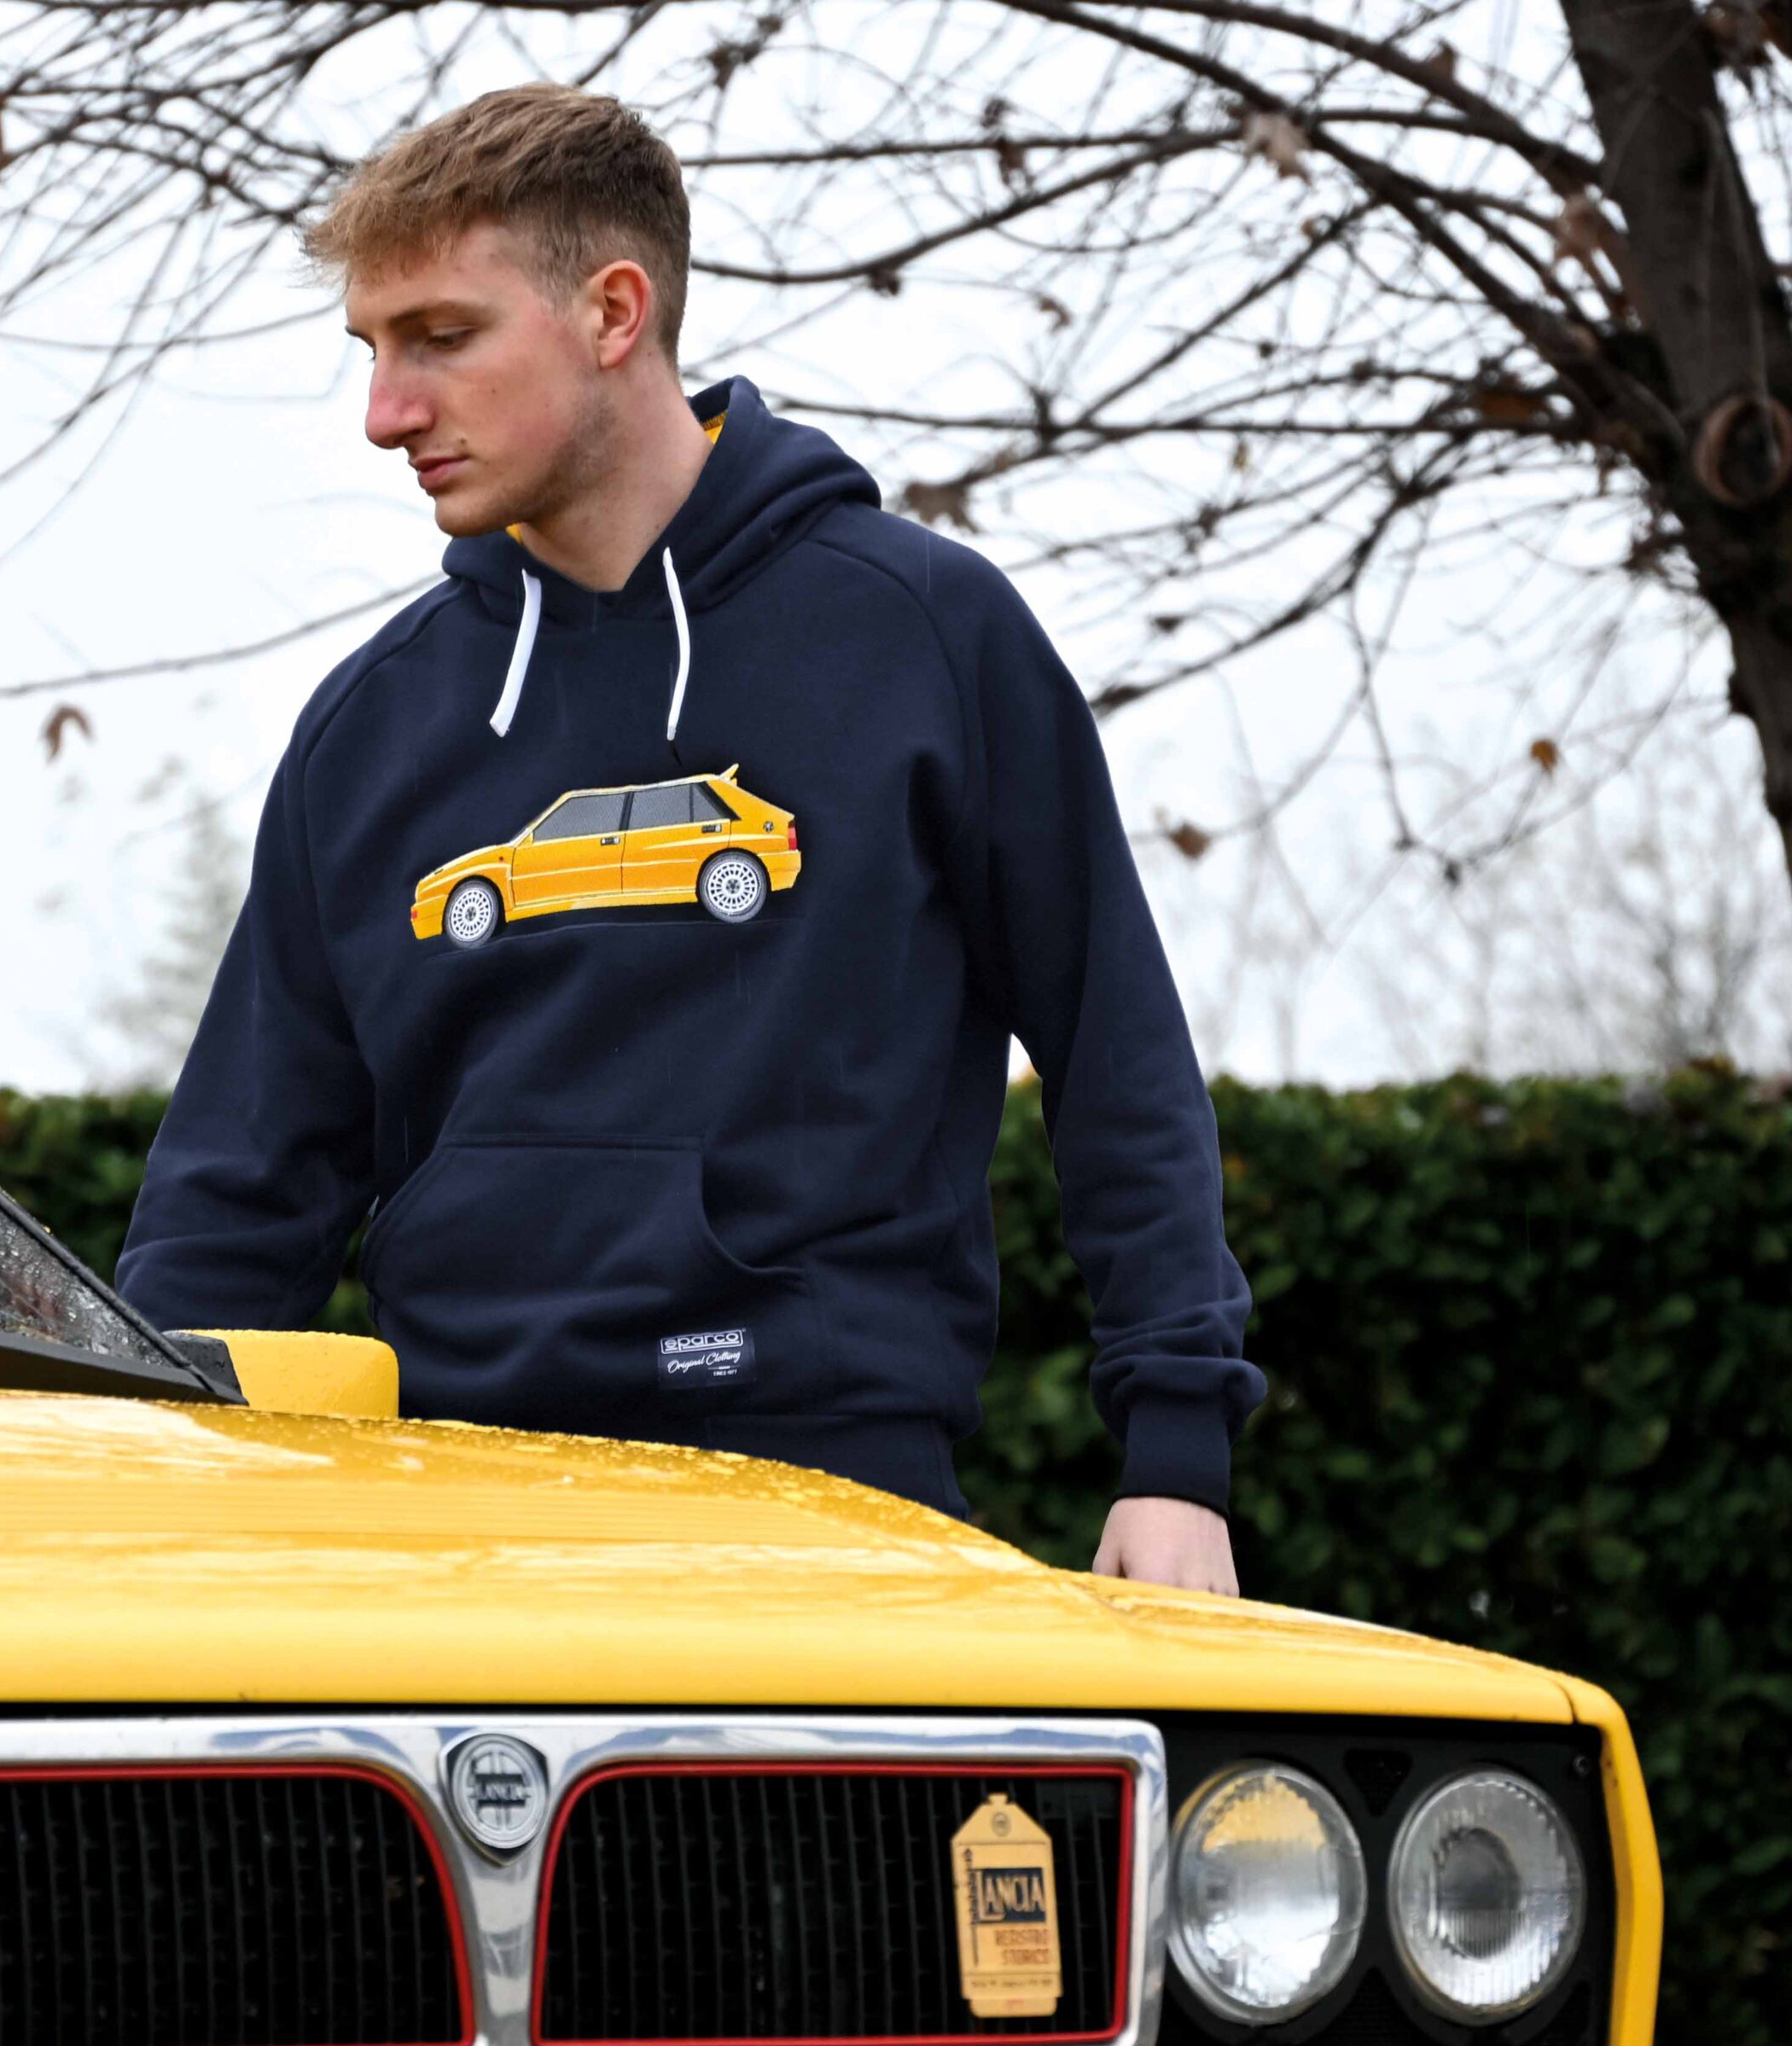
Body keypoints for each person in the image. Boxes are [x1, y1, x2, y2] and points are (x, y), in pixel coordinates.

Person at [113, 84, 1262, 1591]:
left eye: (442, 338)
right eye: (371, 351)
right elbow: (240, 1190)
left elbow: (1113, 1053)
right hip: (454, 1538)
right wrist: (148, 1512)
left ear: (612, 311)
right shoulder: (373, 727)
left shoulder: (921, 635)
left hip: (833, 1516)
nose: (386, 412)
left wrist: (1177, 1459)